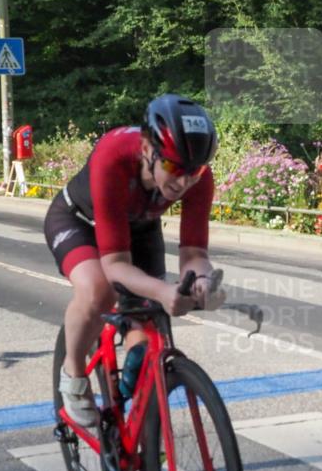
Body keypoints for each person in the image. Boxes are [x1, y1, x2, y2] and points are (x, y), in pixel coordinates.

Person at [43, 94, 226, 426]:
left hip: (139, 226)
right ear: (146, 149)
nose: (184, 182)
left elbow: (195, 254)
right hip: (79, 221)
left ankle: (139, 435)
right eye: (173, 167)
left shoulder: (197, 175)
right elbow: (114, 265)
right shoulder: (113, 157)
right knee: (99, 291)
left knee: (145, 338)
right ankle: (73, 375)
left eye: (194, 171)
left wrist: (203, 280)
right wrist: (162, 291)